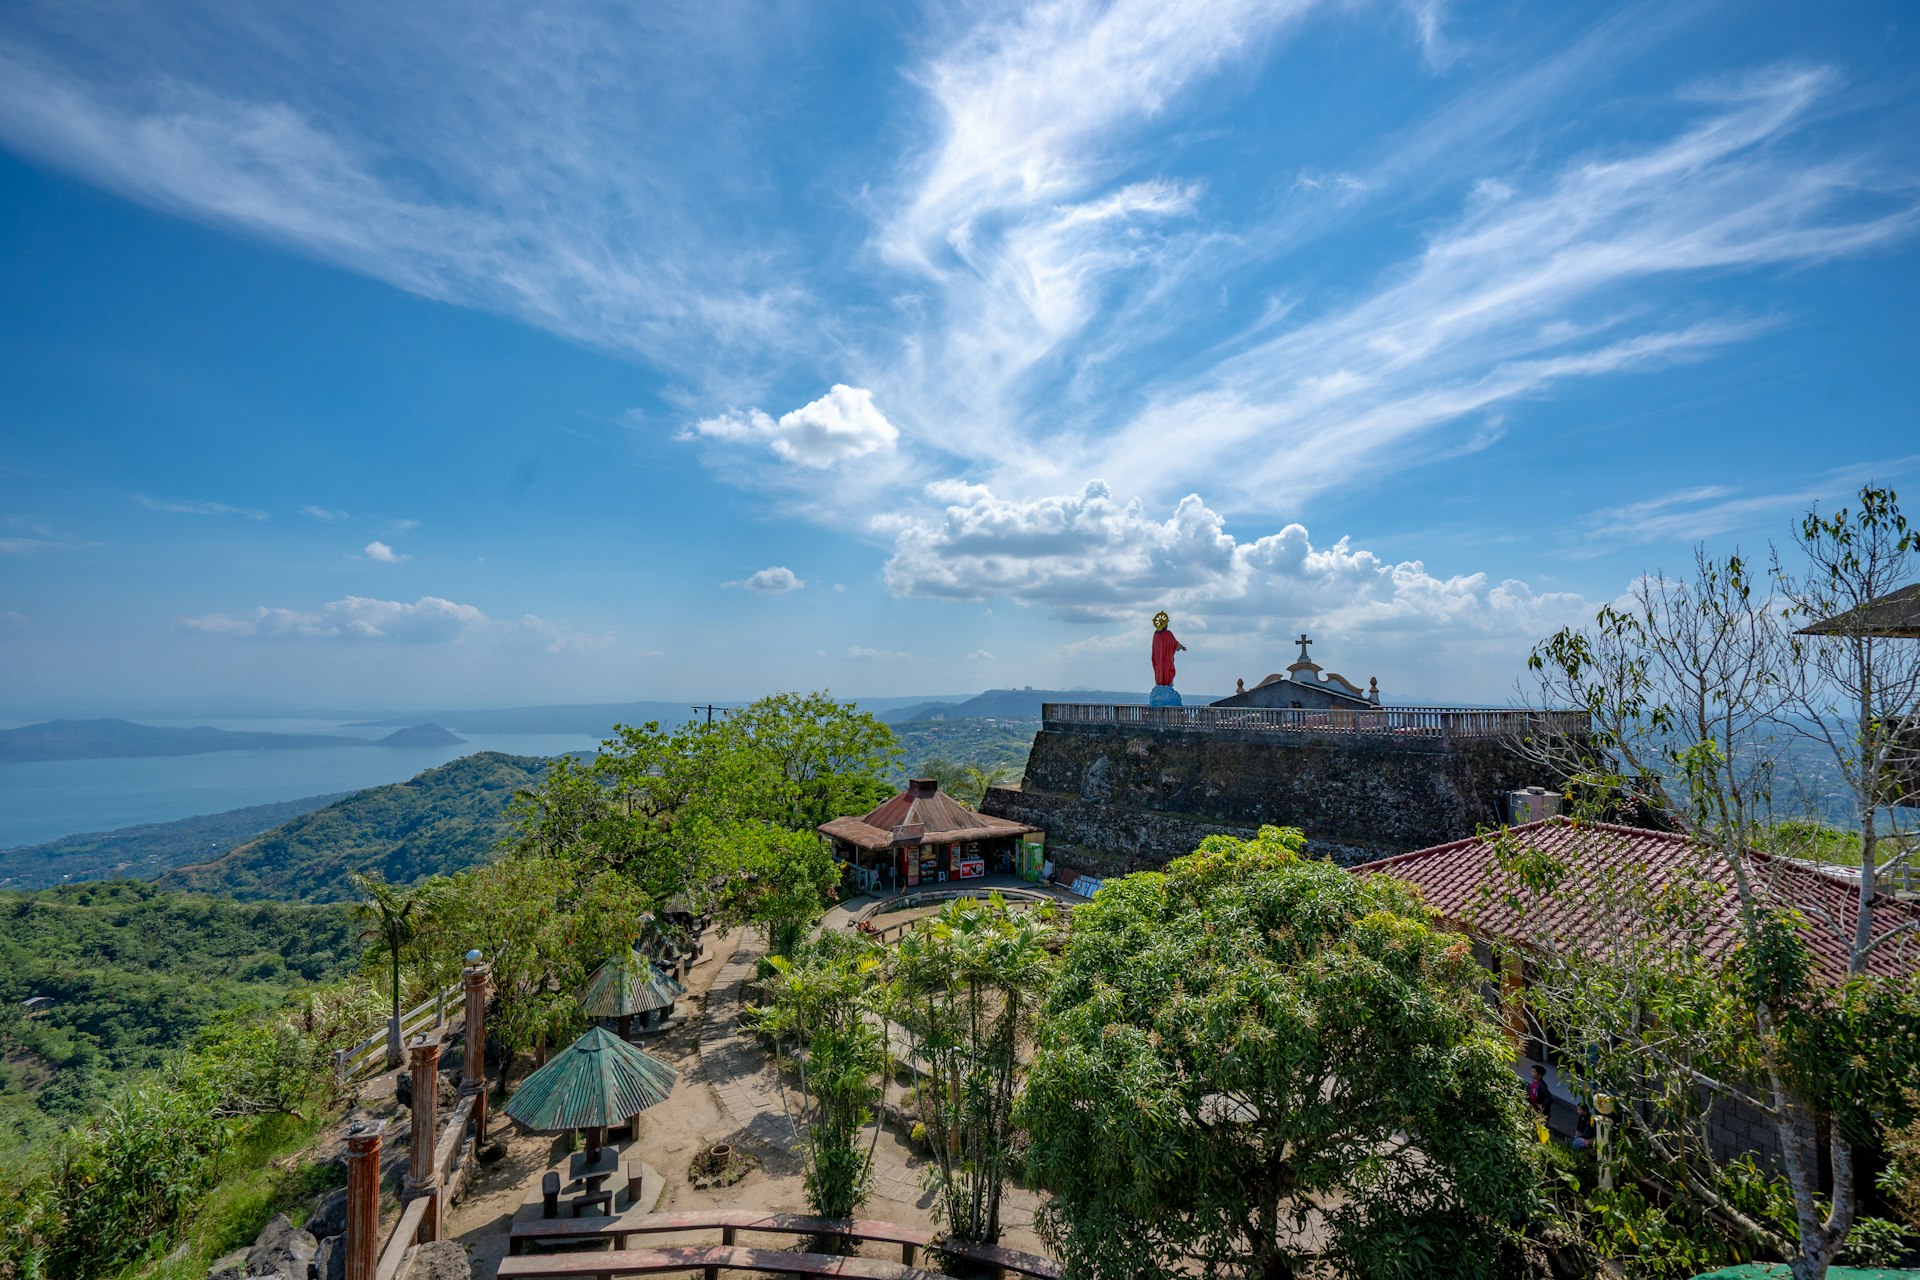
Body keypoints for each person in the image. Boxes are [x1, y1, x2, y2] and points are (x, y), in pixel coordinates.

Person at [1526, 1063, 1553, 1128]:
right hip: (1534, 1110)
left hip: (1541, 1113)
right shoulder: (1534, 1081)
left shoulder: (1542, 1086)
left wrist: (1542, 1105)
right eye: (1532, 1071)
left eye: (1534, 1072)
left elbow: (1549, 1098)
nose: (1532, 1073)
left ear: (1539, 1075)